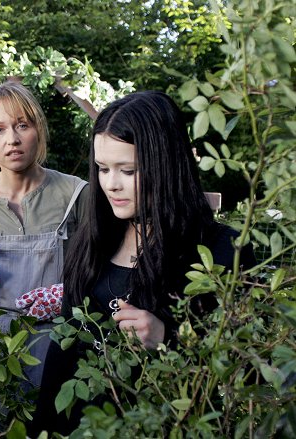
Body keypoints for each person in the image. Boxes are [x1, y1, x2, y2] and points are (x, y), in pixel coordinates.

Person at [28, 91, 256, 435]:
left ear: (166, 164)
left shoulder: (221, 250)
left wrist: (171, 338)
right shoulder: (92, 243)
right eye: (103, 169)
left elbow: (246, 371)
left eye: (128, 170)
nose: (111, 184)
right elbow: (62, 360)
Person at [0, 81, 89, 389]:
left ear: (39, 130)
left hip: (56, 348)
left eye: (22, 125)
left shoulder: (75, 195)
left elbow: (99, 275)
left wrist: (69, 297)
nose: (13, 139)